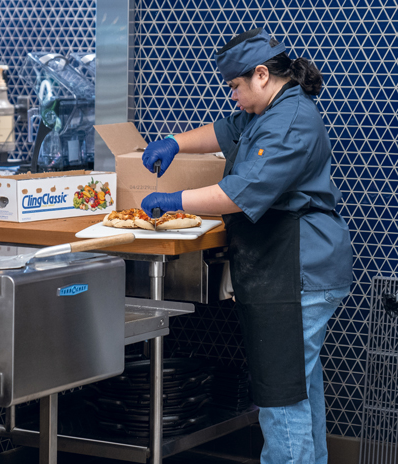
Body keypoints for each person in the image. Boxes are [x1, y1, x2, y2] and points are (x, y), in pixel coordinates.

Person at [140, 28, 353, 464]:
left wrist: (172, 201)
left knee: (280, 394)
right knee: (300, 388)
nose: (233, 95)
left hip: (300, 270)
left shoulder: (290, 121)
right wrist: (175, 142)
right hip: (292, 268)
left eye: (235, 86)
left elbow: (240, 191)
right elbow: (224, 131)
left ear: (261, 75)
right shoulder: (267, 112)